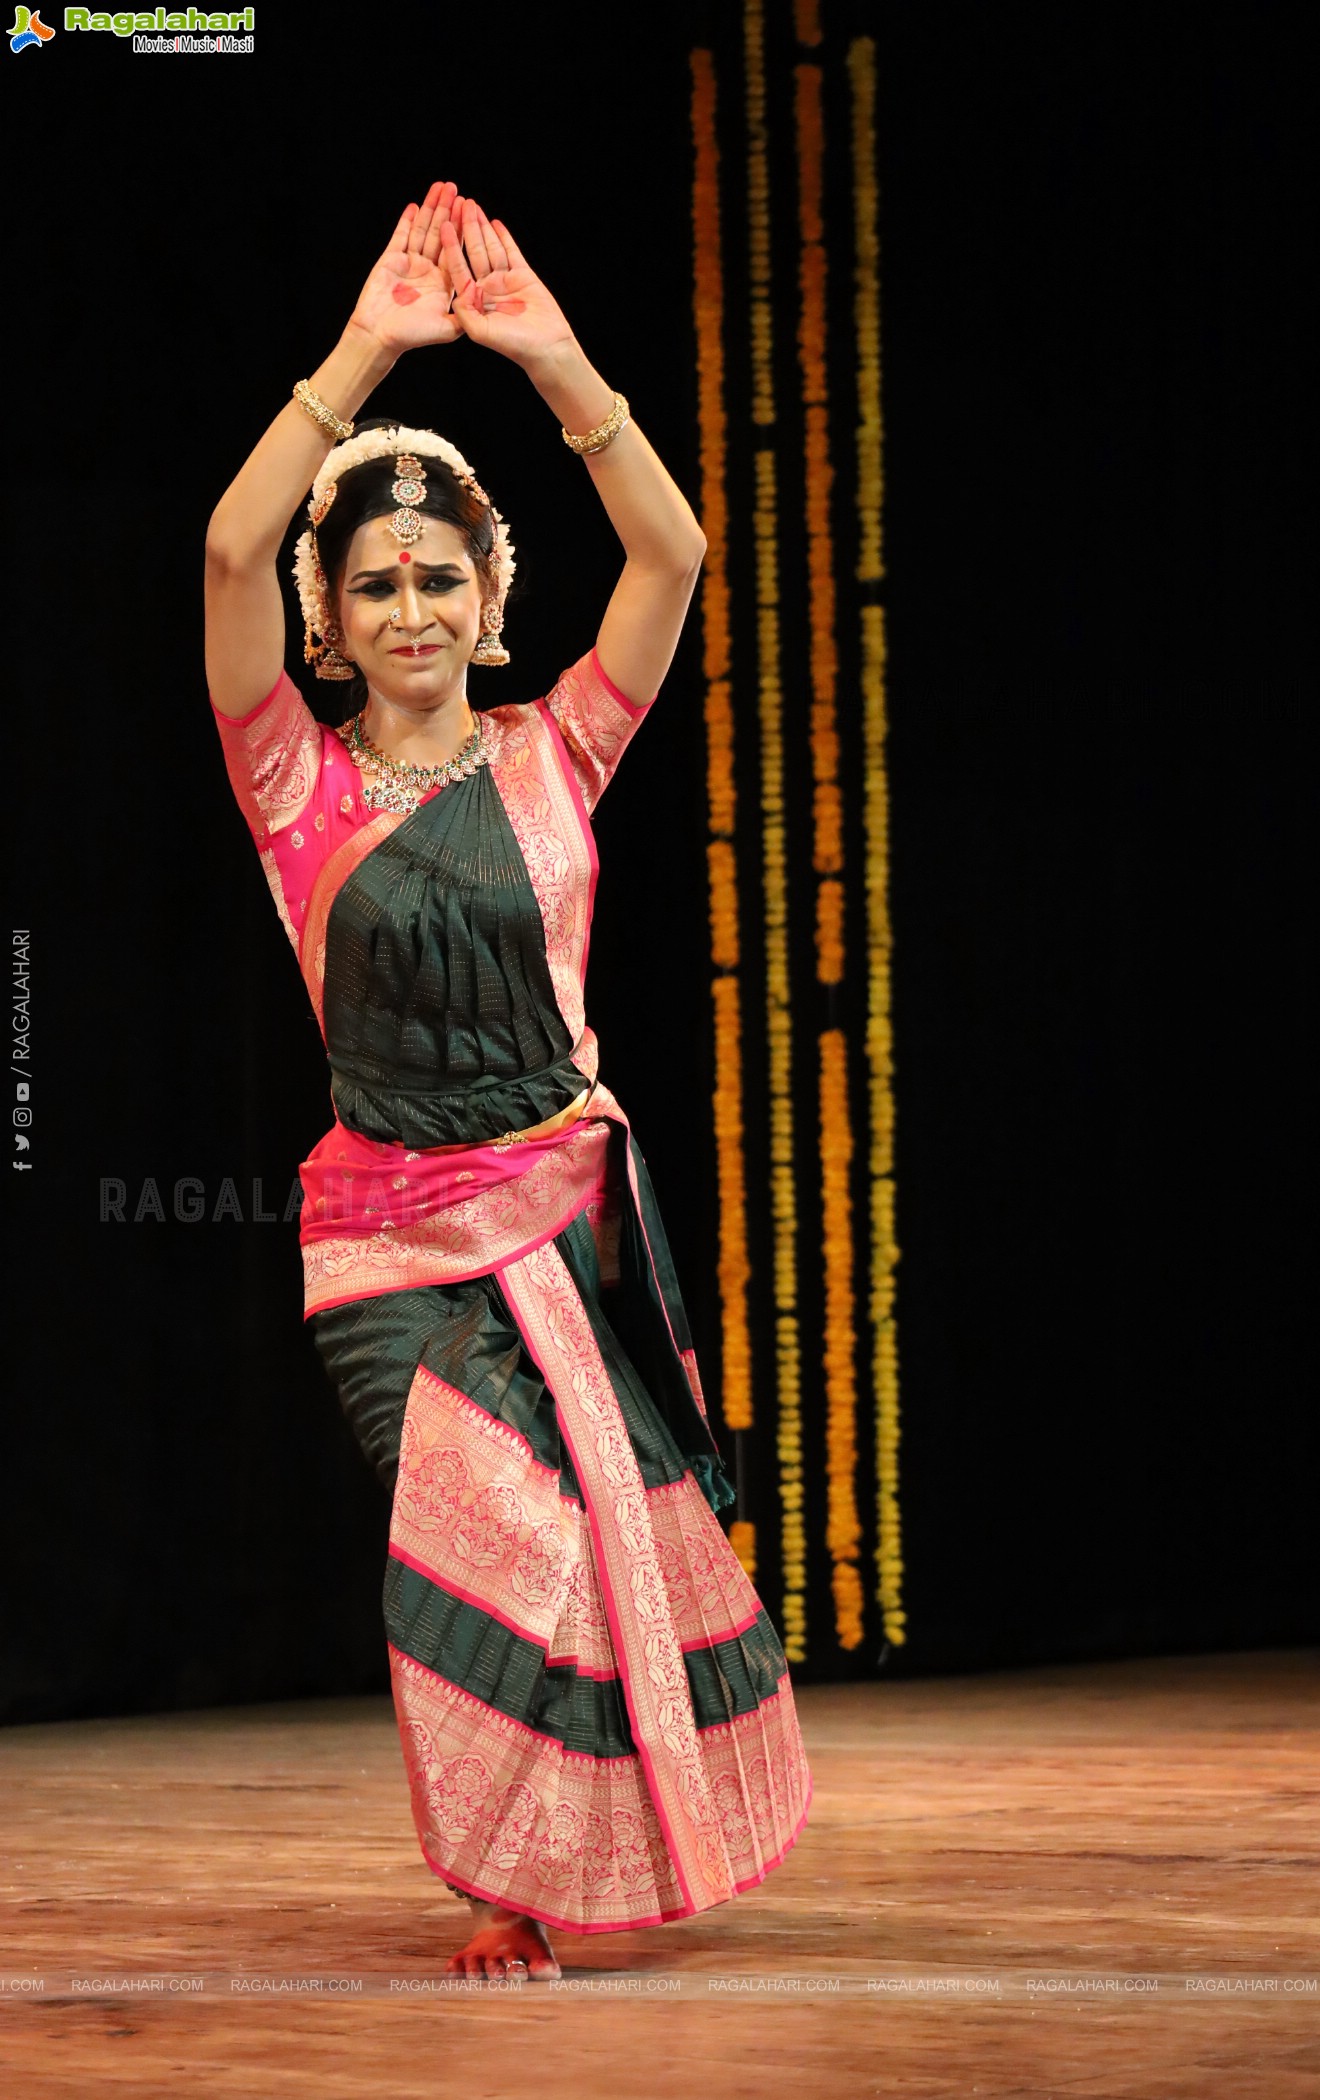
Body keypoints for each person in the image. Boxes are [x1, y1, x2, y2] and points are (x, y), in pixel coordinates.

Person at [204, 181, 812, 1980]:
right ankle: (502, 1879)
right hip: (390, 1257)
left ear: (486, 601)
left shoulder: (558, 753)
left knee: (581, 1547)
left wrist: (549, 357)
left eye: (439, 577)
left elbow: (678, 556)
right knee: (480, 1536)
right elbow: (230, 555)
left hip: (561, 1227)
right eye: (375, 583)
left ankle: (522, 1890)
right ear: (334, 618)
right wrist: (368, 353)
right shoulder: (291, 792)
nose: (409, 604)